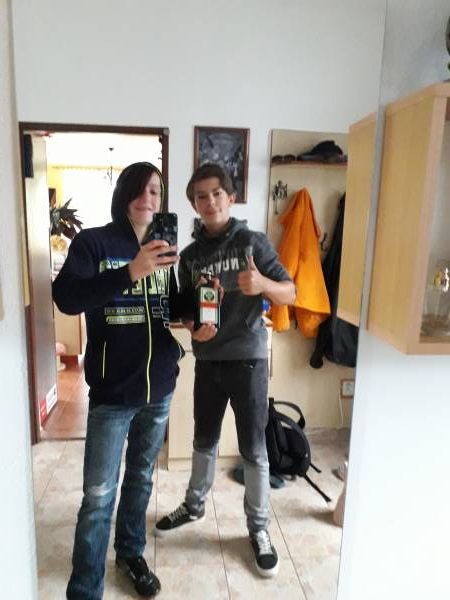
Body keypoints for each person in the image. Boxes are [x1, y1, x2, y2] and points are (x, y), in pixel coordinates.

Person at [53, 162, 188, 599]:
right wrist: (130, 270)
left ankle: (130, 554)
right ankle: (85, 587)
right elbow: (66, 297)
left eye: (156, 191)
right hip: (113, 391)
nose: (149, 198)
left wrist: (198, 313)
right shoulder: (94, 243)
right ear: (124, 193)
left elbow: (169, 307)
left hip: (159, 387)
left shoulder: (164, 248)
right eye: (141, 189)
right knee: (98, 495)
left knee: (141, 477)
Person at [153, 163, 296, 578]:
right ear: (194, 204)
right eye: (201, 195)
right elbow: (184, 309)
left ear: (230, 198)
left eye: (217, 193)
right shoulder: (190, 257)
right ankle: (194, 505)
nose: (210, 201)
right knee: (203, 439)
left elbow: (291, 291)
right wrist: (192, 328)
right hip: (208, 361)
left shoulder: (252, 242)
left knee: (253, 447)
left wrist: (263, 286)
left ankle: (259, 528)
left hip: (249, 360)